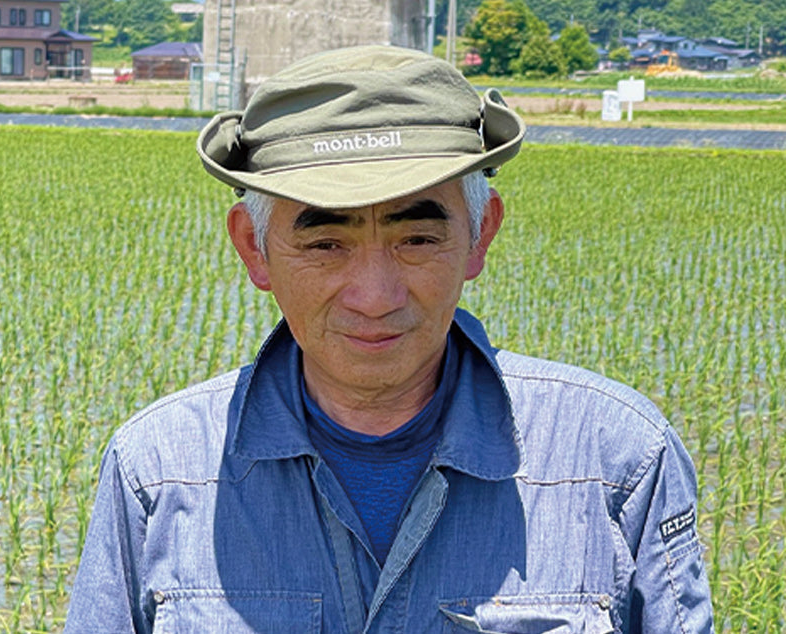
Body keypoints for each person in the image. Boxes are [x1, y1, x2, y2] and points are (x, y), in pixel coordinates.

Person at [64, 45, 714, 633]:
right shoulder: (156, 470)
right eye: (324, 243)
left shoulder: (615, 460)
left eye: (417, 237)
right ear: (252, 248)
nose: (374, 296)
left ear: (479, 234)